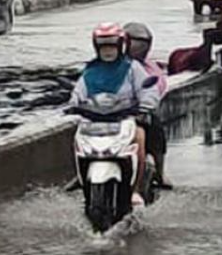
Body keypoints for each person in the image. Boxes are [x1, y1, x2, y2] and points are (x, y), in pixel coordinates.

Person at [70, 23, 161, 207]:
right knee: (76, 140)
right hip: (95, 122)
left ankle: (135, 190)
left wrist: (145, 105)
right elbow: (78, 92)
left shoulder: (132, 68)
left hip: (126, 120)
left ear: (120, 46)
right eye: (104, 46)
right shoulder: (90, 71)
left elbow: (148, 90)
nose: (108, 51)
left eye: (111, 46)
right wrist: (72, 104)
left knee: (140, 138)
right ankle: (81, 179)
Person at [124, 21, 171, 186]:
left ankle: (160, 172)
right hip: (111, 113)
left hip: (138, 113)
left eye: (142, 44)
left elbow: (156, 87)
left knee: (156, 132)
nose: (138, 48)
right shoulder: (108, 64)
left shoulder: (146, 67)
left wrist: (145, 106)